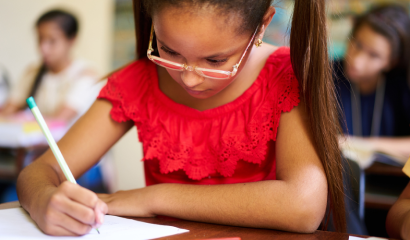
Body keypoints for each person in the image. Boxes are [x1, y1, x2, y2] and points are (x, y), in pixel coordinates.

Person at [16, 0, 347, 236]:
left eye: (216, 60)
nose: (189, 79)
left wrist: (154, 197)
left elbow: (303, 205)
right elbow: (39, 171)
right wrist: (44, 199)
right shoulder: (138, 81)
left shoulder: (285, 76)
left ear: (262, 25)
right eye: (169, 51)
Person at [334, 5, 410, 159]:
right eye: (357, 44)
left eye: (374, 55)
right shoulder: (327, 76)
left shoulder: (402, 86)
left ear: (391, 62)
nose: (357, 61)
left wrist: (361, 145)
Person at [0, 10, 99, 123]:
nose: (43, 48)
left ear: (72, 40)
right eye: (40, 39)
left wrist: (20, 120)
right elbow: (7, 112)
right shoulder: (32, 72)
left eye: (52, 41)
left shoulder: (86, 75)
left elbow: (59, 120)